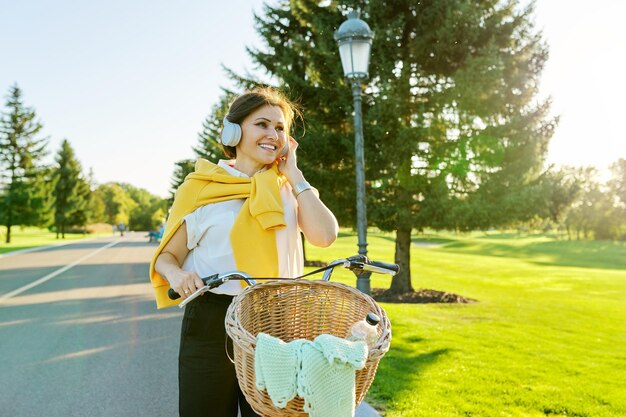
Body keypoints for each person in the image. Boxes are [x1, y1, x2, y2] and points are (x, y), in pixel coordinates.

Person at [149, 87, 338, 417]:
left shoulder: (290, 189)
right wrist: (179, 275)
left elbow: (325, 236)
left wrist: (294, 175)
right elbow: (168, 257)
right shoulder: (201, 188)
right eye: (262, 124)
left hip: (276, 321)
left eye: (280, 128)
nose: (273, 134)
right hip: (211, 320)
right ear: (233, 131)